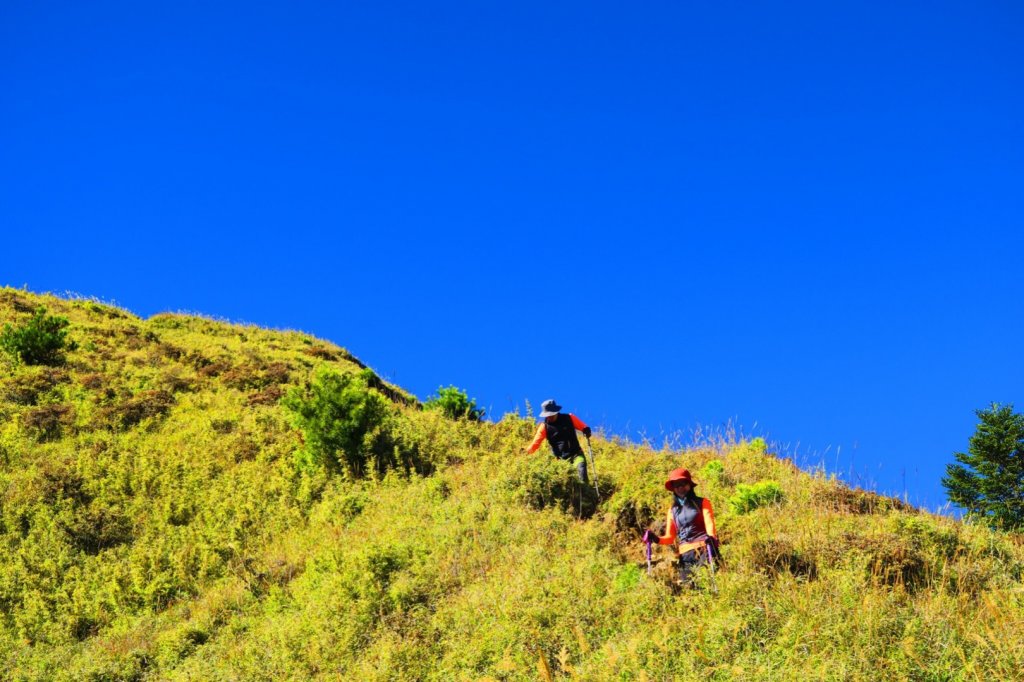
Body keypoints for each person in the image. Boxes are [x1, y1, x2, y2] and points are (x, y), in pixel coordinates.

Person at [642, 467, 719, 584]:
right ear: (673, 489)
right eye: (676, 485)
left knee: (706, 583)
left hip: (704, 549)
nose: (680, 488)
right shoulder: (672, 511)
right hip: (685, 556)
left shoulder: (703, 502)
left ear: (690, 485)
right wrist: (655, 538)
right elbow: (669, 538)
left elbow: (710, 525)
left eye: (683, 484)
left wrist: (711, 538)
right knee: (690, 590)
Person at [525, 399, 592, 483]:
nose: (550, 417)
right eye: (547, 415)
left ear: (556, 411)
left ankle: (588, 493)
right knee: (568, 484)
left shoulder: (569, 418)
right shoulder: (544, 427)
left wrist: (586, 430)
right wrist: (526, 452)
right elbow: (535, 444)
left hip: (577, 455)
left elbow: (584, 427)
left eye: (551, 414)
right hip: (561, 462)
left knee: (582, 475)